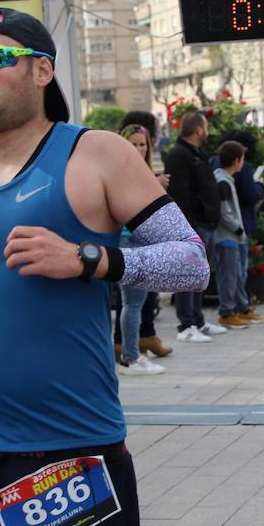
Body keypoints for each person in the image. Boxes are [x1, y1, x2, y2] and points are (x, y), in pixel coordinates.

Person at [0, 7, 209, 526]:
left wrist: (92, 260)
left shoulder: (97, 153)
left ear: (41, 71)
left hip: (69, 446)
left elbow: (192, 261)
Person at [111, 114, 172, 360]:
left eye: (142, 144)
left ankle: (132, 354)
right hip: (129, 241)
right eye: (133, 143)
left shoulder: (141, 171)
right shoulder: (121, 172)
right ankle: (132, 357)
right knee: (132, 304)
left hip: (142, 241)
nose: (138, 148)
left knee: (135, 304)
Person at [165, 112, 226, 343]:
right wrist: (187, 227)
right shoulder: (179, 156)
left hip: (205, 224)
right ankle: (186, 324)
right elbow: (181, 194)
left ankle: (198, 321)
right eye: (206, 127)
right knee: (187, 274)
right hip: (193, 226)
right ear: (199, 130)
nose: (207, 131)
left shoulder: (195, 154)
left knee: (199, 275)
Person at [212, 141, 254, 329]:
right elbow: (224, 212)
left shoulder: (225, 180)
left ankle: (236, 307)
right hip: (227, 237)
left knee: (234, 274)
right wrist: (238, 228)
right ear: (237, 160)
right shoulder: (222, 182)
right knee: (229, 275)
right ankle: (227, 311)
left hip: (229, 237)